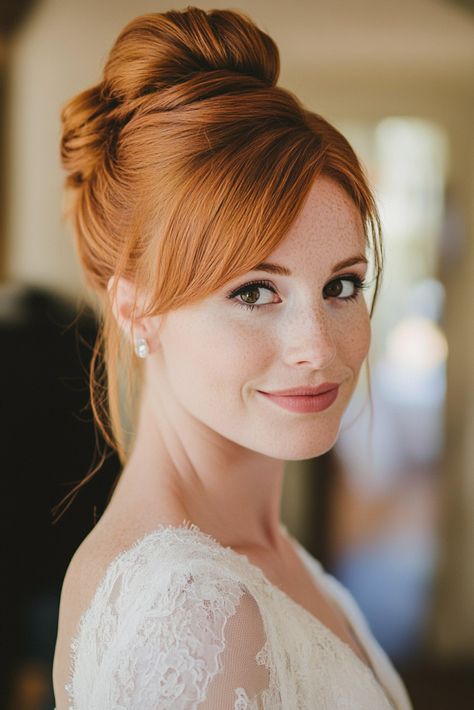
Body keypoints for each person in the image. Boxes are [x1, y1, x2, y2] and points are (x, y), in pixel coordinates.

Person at [52, 6, 413, 709]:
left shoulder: (266, 555)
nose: (318, 345)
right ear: (135, 310)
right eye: (253, 291)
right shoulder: (189, 616)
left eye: (341, 285)